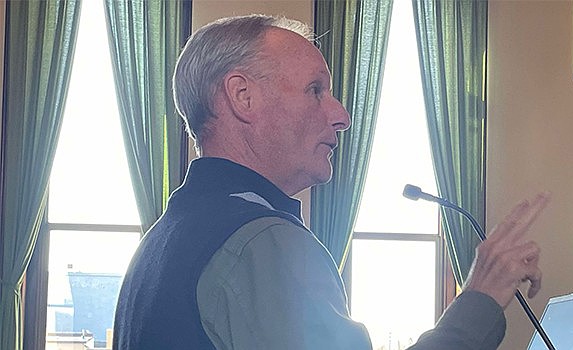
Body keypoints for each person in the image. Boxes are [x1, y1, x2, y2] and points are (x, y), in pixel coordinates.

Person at [113, 14, 550, 350]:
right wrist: (482, 297)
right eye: (315, 89)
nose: (341, 115)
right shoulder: (260, 241)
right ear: (242, 97)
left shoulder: (163, 240)